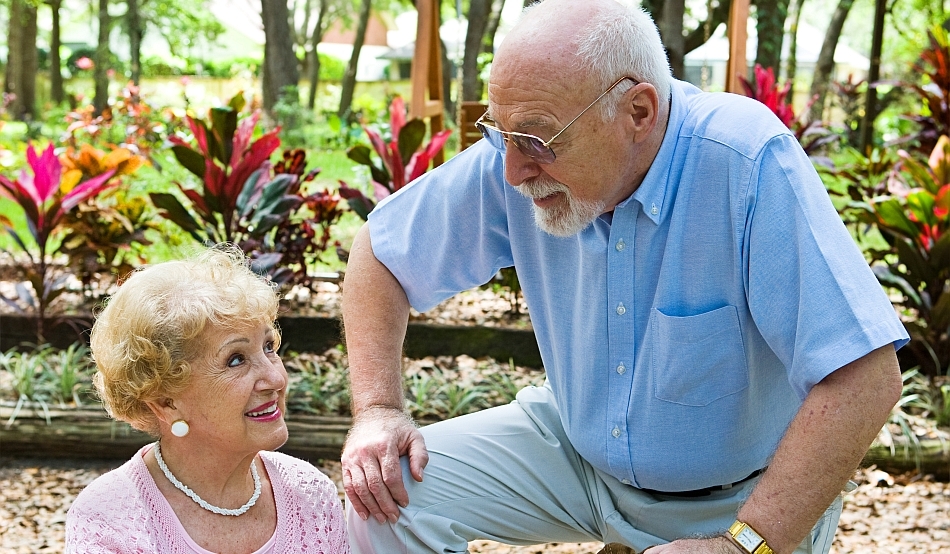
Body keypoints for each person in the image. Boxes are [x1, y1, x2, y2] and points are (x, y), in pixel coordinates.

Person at [340, 0, 910, 553]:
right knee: (387, 498)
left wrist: (744, 545)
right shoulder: (516, 158)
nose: (513, 171)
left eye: (537, 140)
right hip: (575, 454)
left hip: (741, 497)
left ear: (638, 111)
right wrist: (377, 411)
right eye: (502, 134)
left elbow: (866, 377)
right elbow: (380, 254)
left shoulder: (744, 159)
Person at [66, 245, 349, 554]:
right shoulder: (112, 521)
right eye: (236, 360)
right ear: (165, 402)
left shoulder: (309, 497)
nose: (276, 379)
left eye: (269, 346)